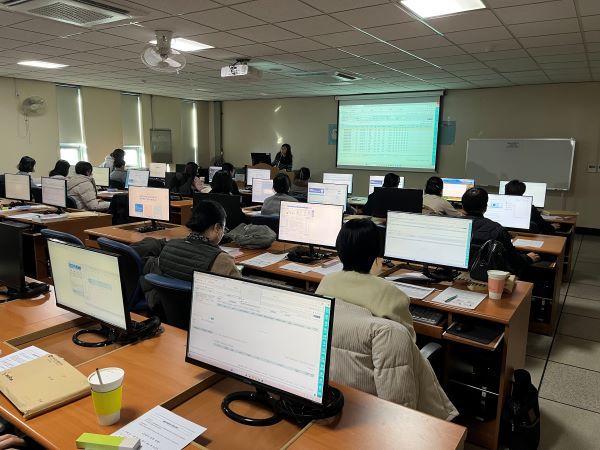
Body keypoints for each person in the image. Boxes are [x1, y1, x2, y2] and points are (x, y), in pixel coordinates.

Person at [316, 219, 415, 342]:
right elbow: (408, 341)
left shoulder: (327, 282)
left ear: (339, 250)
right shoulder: (391, 294)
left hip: (331, 353)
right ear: (376, 252)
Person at [134, 200, 242, 312]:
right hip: (202, 315)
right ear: (217, 227)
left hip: (166, 314)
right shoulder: (222, 260)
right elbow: (240, 296)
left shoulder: (169, 246)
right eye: (224, 229)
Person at [462, 187, 540, 277]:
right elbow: (513, 260)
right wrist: (527, 258)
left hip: (459, 273)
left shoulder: (452, 224)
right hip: (487, 277)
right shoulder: (497, 229)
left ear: (462, 207)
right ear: (486, 207)